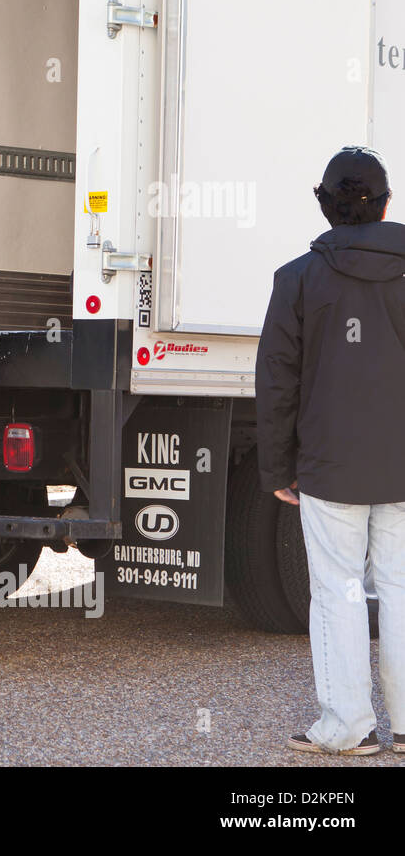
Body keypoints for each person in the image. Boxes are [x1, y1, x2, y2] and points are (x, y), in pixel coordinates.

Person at [257, 145, 404, 756]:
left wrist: (276, 466)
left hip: (327, 466)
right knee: (401, 587)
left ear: (325, 207)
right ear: (387, 203)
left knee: (339, 591)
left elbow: (277, 381)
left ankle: (347, 727)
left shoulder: (296, 279)